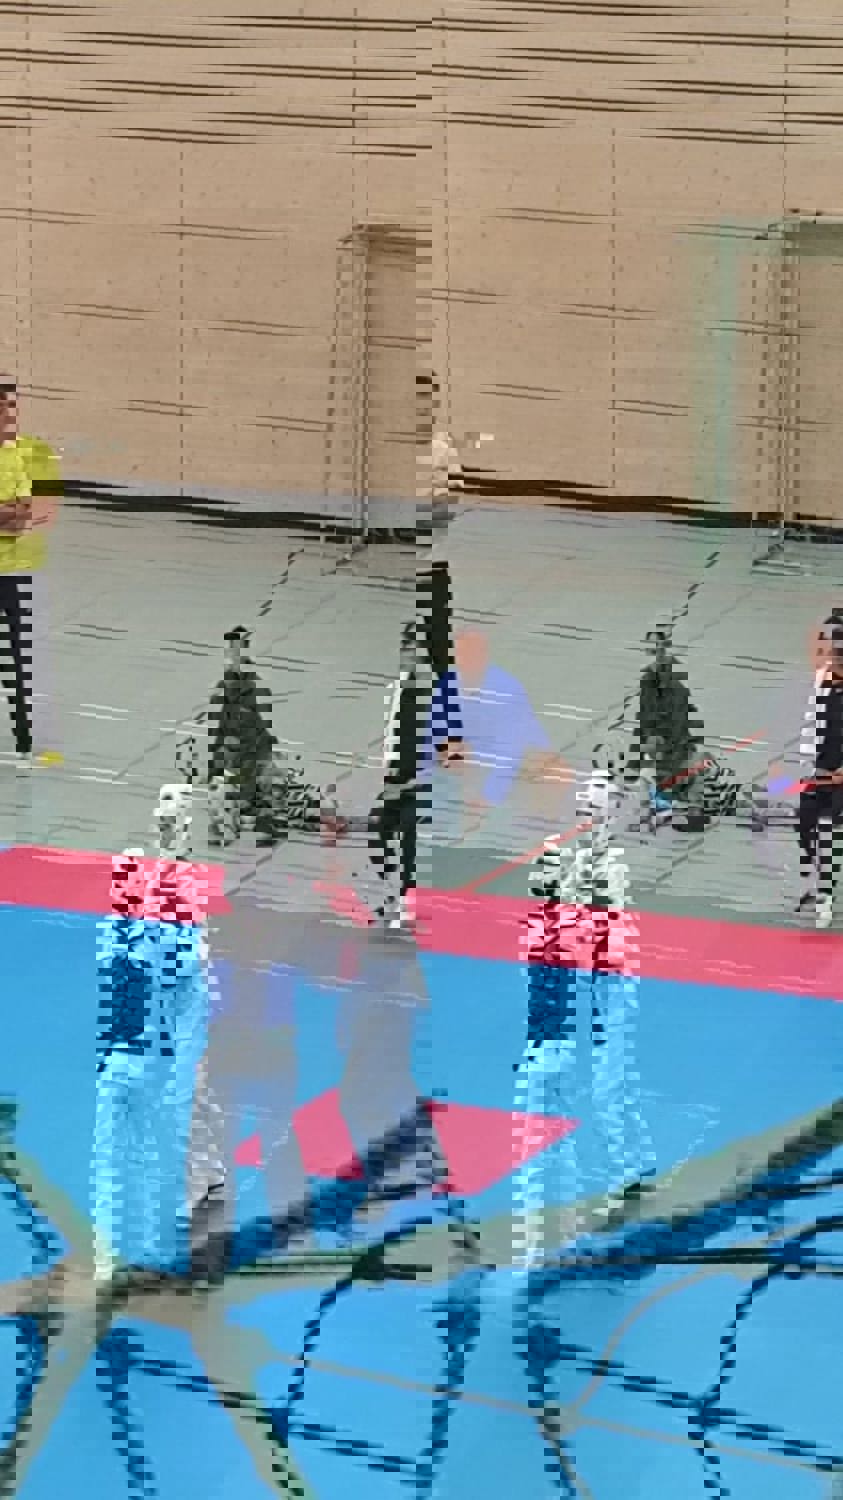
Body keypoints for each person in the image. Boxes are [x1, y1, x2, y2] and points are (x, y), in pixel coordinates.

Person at [513, 757, 653, 1271]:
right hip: (587, 982)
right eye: (582, 809)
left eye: (593, 811)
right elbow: (547, 908)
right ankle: (639, 1156)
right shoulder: (571, 858)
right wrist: (549, 879)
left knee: (606, 1086)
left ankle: (619, 1181)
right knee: (614, 1079)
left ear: (609, 813)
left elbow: (603, 921)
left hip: (610, 983)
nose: (585, 819)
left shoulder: (611, 865)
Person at [0, 380, 61, 759]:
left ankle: (23, 735)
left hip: (13, 574)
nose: (8, 415)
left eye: (11, 407)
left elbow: (24, 517)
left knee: (19, 660)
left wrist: (12, 513)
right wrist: (7, 512)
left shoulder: (19, 457)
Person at [797, 610, 843, 928]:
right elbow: (811, 723)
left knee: (830, 833)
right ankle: (822, 876)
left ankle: (825, 895)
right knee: (805, 827)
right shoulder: (823, 679)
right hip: (820, 769)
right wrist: (807, 764)